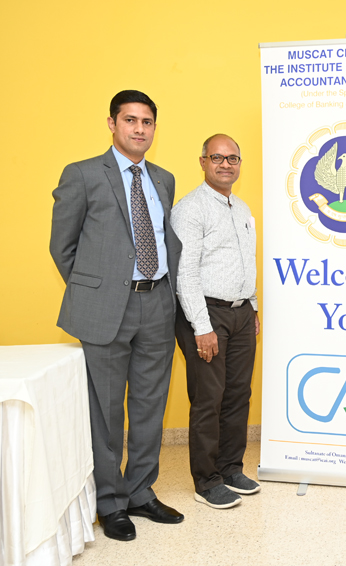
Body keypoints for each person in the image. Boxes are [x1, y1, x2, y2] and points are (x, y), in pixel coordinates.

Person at [49, 90, 184, 542]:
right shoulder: (83, 174)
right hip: (106, 309)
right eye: (130, 120)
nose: (139, 129)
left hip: (157, 303)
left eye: (147, 122)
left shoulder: (163, 179)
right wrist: (98, 290)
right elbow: (62, 246)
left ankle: (141, 491)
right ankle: (110, 502)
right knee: (106, 412)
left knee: (150, 405)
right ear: (112, 124)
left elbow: (164, 240)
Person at [172, 134, 260, 509]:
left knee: (238, 394)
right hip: (206, 313)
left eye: (232, 158)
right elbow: (185, 273)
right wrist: (201, 326)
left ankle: (229, 468)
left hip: (240, 313)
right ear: (203, 162)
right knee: (209, 398)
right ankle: (206, 481)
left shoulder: (240, 208)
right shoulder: (190, 209)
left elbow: (245, 261)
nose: (226, 164)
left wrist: (252, 306)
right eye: (217, 158)